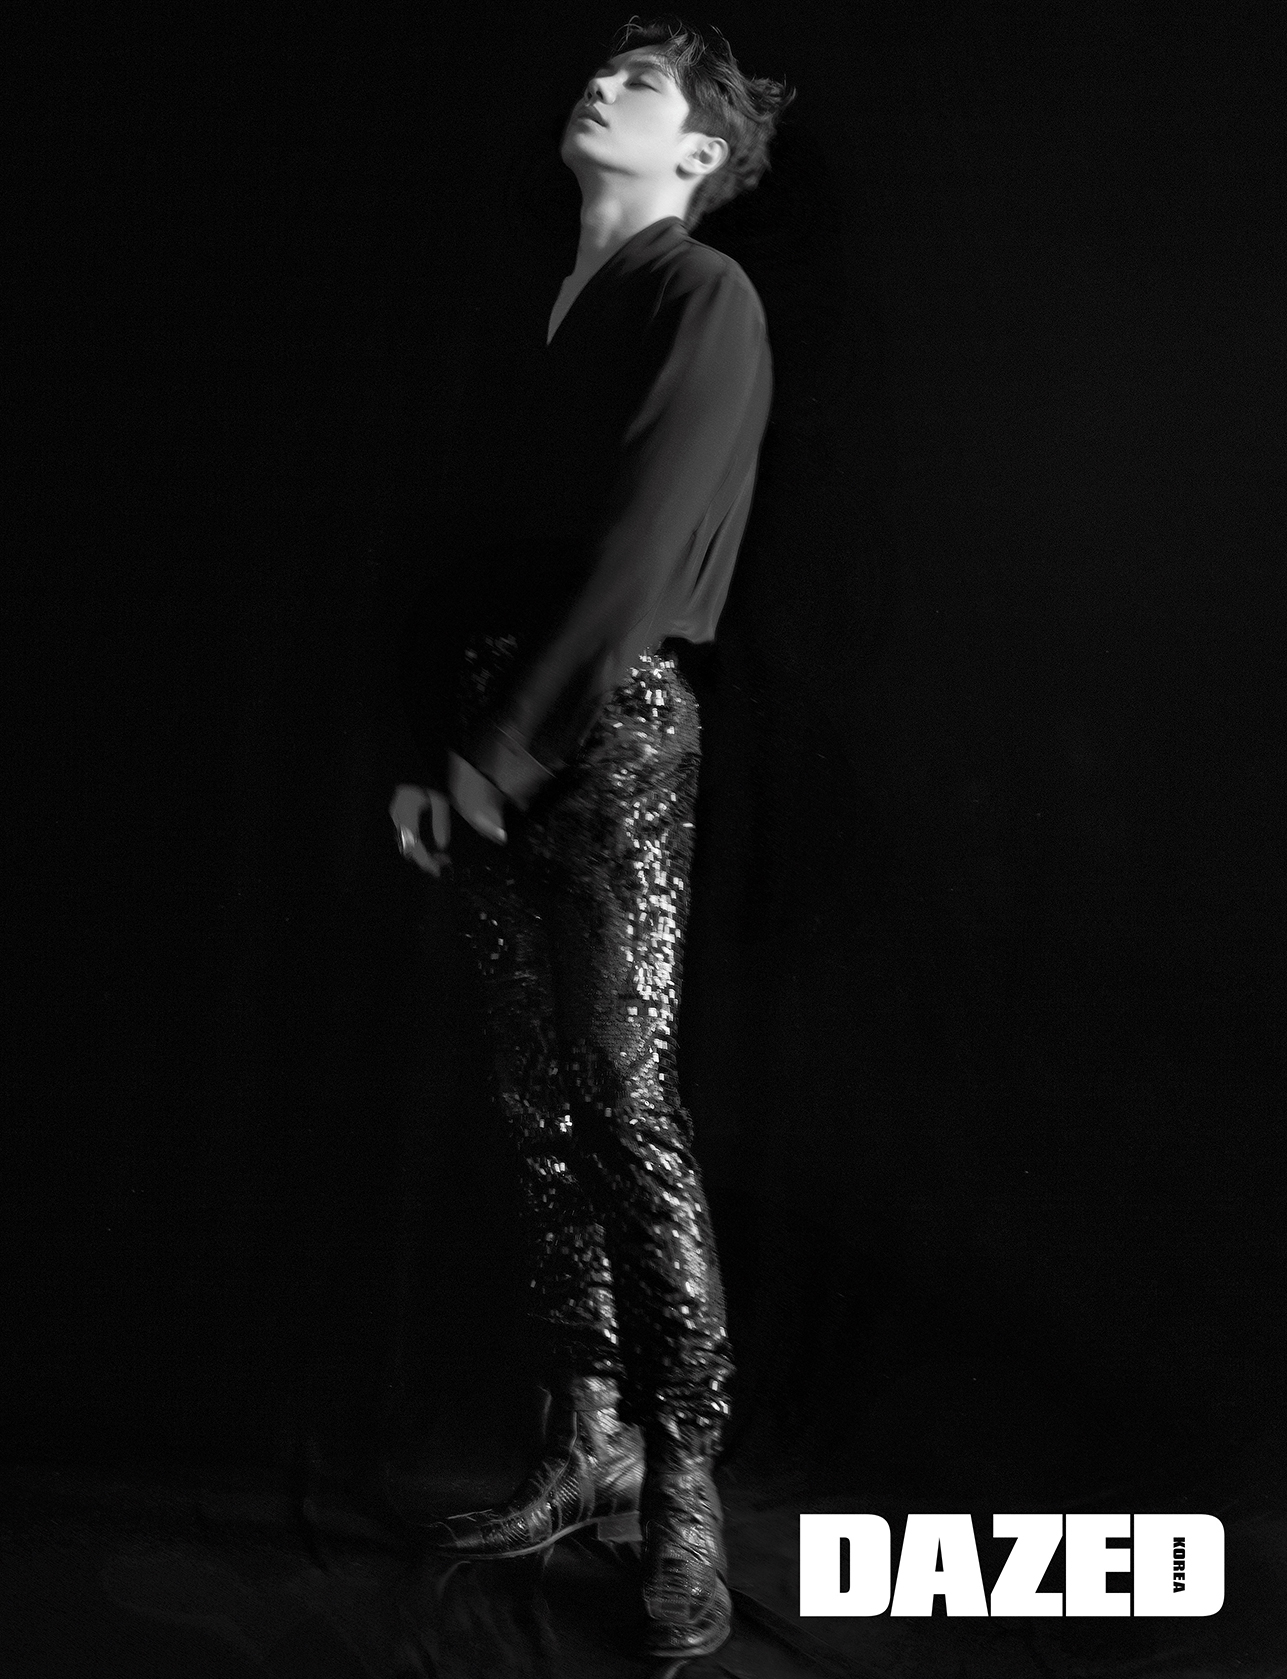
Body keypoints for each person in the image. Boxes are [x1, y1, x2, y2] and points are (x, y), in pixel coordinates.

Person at [390, 16, 792, 1662]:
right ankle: (587, 1438)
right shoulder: (538, 308)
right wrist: (435, 750)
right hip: (490, 733)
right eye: (604, 68)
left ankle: (684, 1488)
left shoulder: (705, 296)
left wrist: (503, 751)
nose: (604, 85)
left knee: (625, 1099)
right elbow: (455, 537)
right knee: (538, 1106)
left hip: (608, 731)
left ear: (698, 150)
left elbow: (636, 556)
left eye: (644, 83)